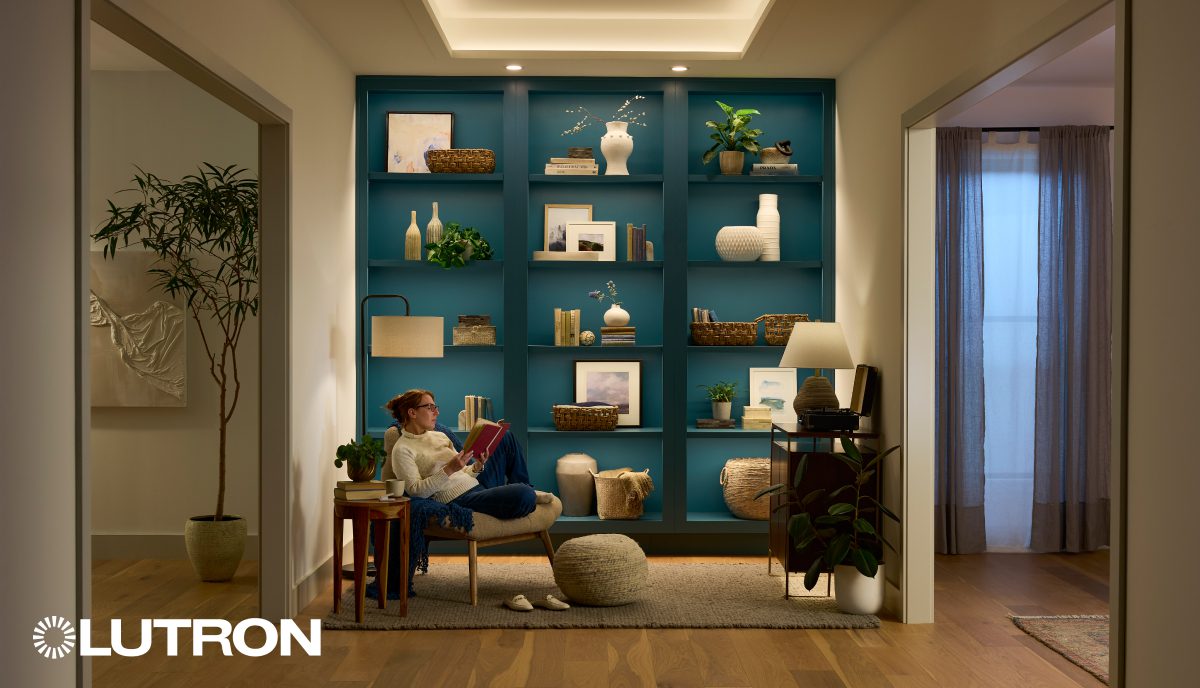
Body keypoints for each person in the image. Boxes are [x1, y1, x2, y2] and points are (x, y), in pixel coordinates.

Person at [384, 389, 543, 520]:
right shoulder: (402, 449)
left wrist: (477, 466)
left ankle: (525, 490)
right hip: (458, 499)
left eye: (436, 407)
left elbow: (463, 472)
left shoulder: (439, 435)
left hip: (476, 485)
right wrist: (449, 469)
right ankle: (527, 494)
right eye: (430, 407)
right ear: (412, 412)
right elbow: (416, 491)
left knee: (506, 436)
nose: (437, 412)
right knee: (524, 494)